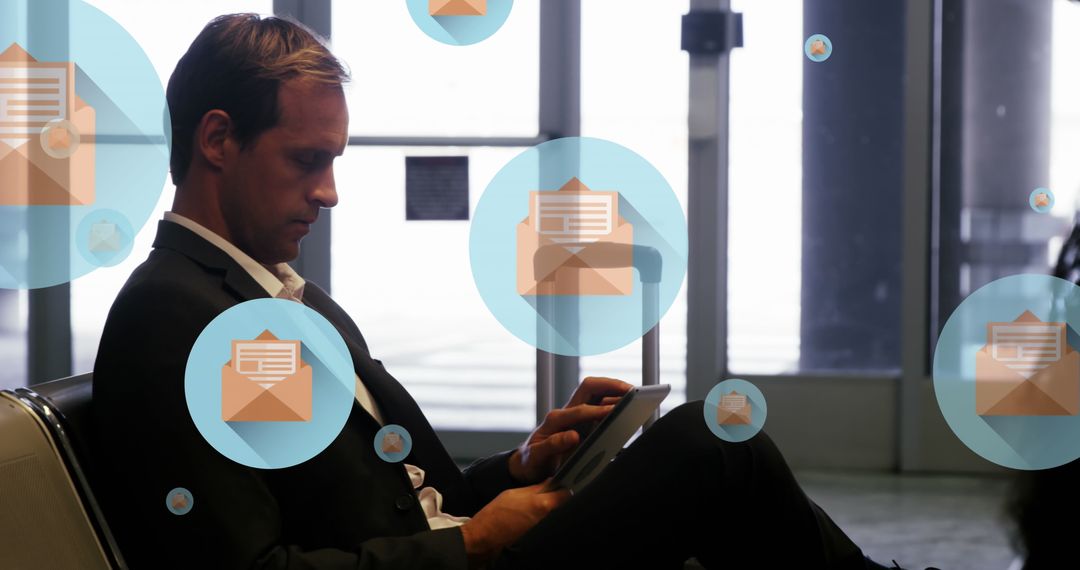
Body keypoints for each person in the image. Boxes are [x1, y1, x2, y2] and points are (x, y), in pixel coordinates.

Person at [91, 14, 896, 570]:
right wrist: (471, 546)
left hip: (458, 554)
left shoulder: (274, 300)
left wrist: (520, 465)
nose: (330, 192)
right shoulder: (176, 315)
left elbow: (405, 498)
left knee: (714, 489)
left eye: (334, 162)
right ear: (218, 139)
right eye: (307, 161)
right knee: (714, 448)